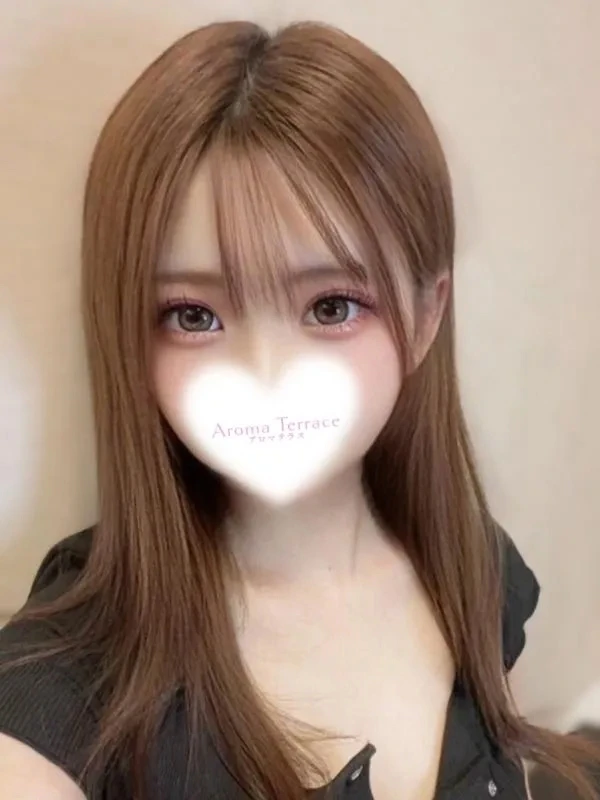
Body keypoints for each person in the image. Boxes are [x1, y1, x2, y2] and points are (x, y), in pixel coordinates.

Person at [0, 19, 598, 800]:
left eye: (331, 306)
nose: (267, 375)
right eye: (194, 316)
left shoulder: (473, 571)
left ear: (426, 316)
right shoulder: (70, 673)